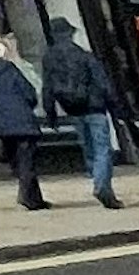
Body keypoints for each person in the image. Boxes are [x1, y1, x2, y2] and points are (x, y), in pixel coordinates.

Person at [41, 15, 126, 211]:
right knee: (103, 149)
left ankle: (97, 180)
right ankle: (102, 187)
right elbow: (103, 83)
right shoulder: (84, 55)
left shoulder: (49, 59)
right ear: (69, 34)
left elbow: (47, 88)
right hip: (95, 108)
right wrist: (116, 107)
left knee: (88, 148)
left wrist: (50, 114)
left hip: (73, 109)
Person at [0, 33, 47, 208]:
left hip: (3, 125)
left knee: (18, 162)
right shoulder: (10, 69)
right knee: (27, 161)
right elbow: (29, 92)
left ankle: (33, 197)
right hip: (23, 122)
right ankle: (29, 198)